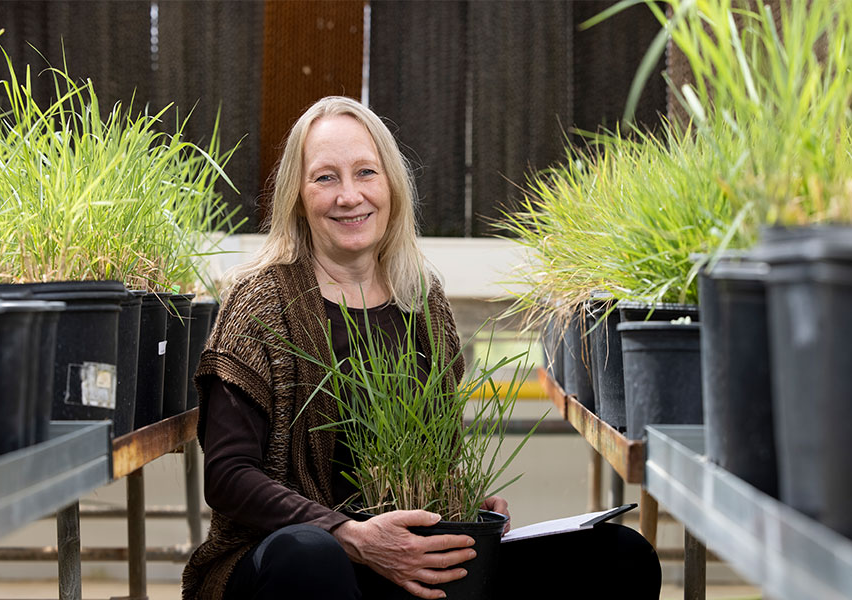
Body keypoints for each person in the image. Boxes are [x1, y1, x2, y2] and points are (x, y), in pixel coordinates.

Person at [182, 96, 661, 600]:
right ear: (297, 197)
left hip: (409, 558)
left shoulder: (422, 300)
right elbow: (228, 475)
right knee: (311, 556)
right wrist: (350, 536)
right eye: (325, 178)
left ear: (391, 184)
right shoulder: (260, 302)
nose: (349, 196)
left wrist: (465, 504)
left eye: (365, 172)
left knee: (618, 555)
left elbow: (436, 457)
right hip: (288, 563)